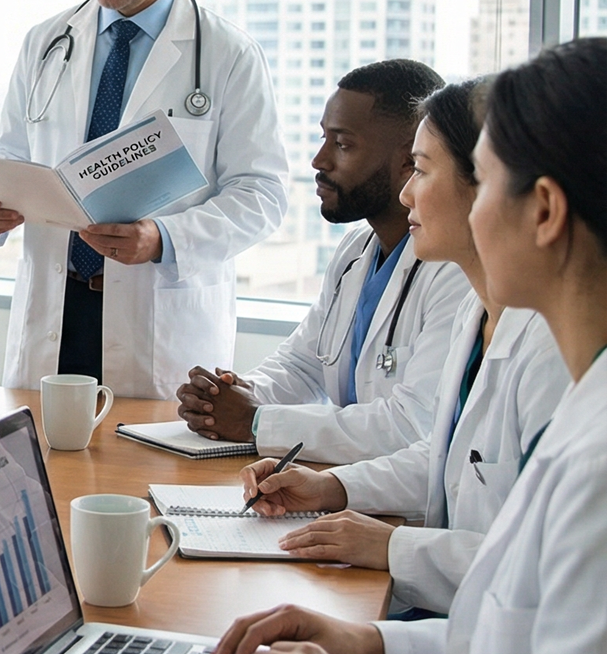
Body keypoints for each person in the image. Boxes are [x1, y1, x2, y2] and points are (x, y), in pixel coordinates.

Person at [211, 37, 607, 654]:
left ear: (543, 211)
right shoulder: (583, 403)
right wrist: (373, 644)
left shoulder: (597, 461)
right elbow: (517, 639)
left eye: (476, 180)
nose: (423, 197)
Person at [243, 79, 569, 613]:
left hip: (479, 627)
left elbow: (540, 585)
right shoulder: (476, 317)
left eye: (421, 169)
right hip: (453, 622)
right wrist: (330, 487)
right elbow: (444, 460)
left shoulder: (552, 357)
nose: (405, 194)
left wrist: (393, 547)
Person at [0, 0, 287, 397]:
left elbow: (263, 194)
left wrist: (164, 239)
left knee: (145, 453)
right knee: (41, 448)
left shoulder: (228, 55)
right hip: (55, 309)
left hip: (158, 323)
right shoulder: (45, 42)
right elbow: (11, 155)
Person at [177, 60, 468, 463]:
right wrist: (230, 395)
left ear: (408, 161)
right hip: (338, 481)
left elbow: (411, 427)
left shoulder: (453, 272)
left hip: (393, 493)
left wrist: (255, 421)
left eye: (342, 144)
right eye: (323, 138)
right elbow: (303, 366)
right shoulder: (356, 251)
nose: (319, 161)